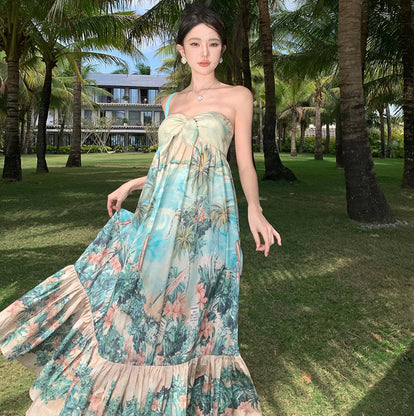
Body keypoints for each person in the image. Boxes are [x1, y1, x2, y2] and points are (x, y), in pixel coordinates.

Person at [0, 4, 280, 415]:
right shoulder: (170, 103)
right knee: (138, 305)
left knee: (195, 314)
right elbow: (168, 165)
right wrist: (132, 183)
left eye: (213, 43)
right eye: (195, 43)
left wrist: (254, 208)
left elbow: (243, 162)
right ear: (182, 50)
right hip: (160, 220)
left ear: (223, 51)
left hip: (208, 225)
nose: (204, 52)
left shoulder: (238, 96)